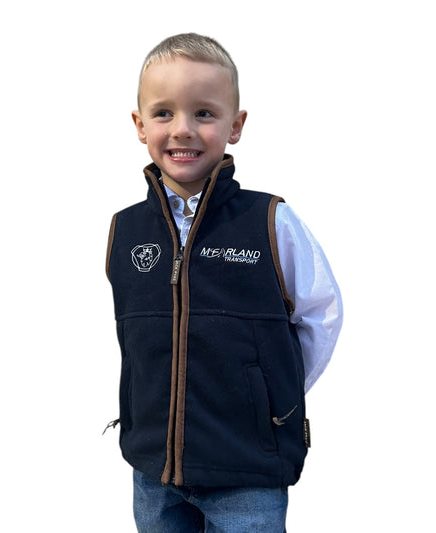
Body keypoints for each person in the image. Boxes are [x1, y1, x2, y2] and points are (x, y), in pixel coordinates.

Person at [105, 32, 343, 533]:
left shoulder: (270, 221)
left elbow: (321, 314)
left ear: (235, 125)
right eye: (164, 113)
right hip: (153, 472)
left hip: (246, 471)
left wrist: (269, 396)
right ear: (139, 124)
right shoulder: (125, 231)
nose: (183, 129)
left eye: (204, 113)